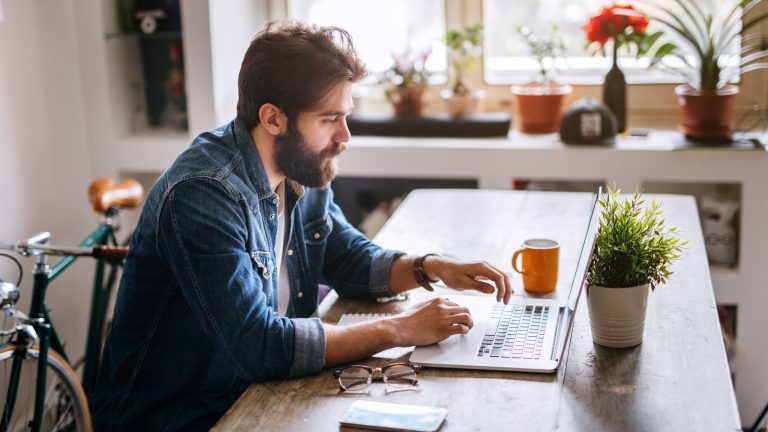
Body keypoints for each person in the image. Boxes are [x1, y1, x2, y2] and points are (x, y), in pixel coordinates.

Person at [93, 21, 512, 431]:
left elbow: (348, 259)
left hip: (257, 396)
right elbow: (259, 346)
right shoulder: (203, 194)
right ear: (274, 119)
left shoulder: (300, 169)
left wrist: (432, 267)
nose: (344, 136)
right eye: (330, 119)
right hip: (184, 416)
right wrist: (400, 328)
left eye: (345, 116)